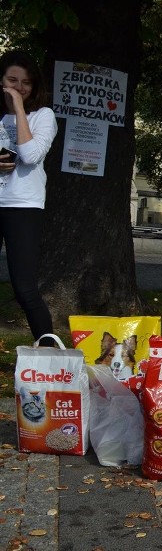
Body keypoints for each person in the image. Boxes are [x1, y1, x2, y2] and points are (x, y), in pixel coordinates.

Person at [0, 50, 58, 344]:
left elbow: (30, 154)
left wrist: (19, 109)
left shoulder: (43, 116)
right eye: (12, 79)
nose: (18, 87)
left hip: (23, 206)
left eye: (25, 83)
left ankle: (51, 354)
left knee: (24, 288)